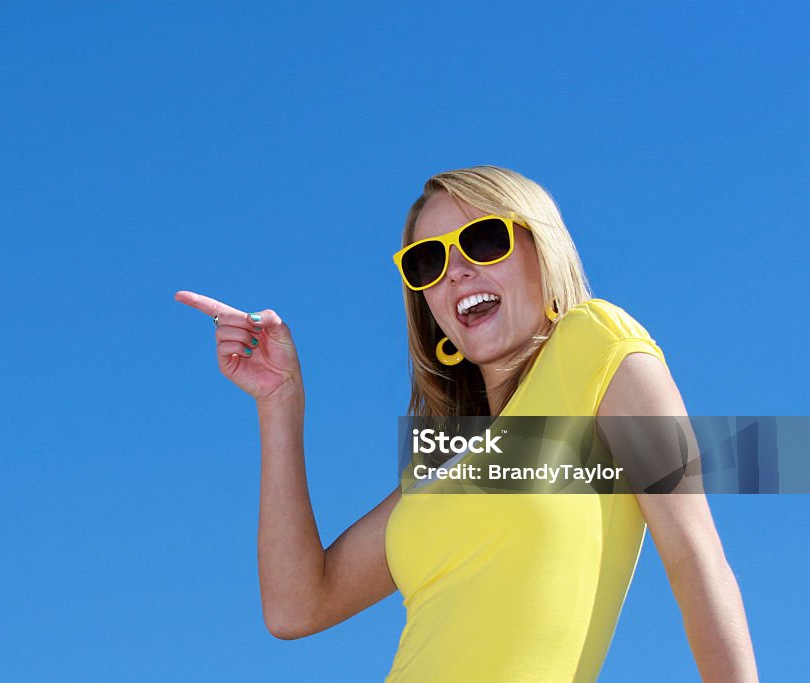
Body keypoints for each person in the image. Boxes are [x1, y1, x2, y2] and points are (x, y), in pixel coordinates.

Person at [175, 166, 758, 681]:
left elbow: (694, 555)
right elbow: (296, 608)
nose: (454, 272)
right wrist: (280, 403)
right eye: (428, 261)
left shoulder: (595, 340)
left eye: (483, 240)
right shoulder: (443, 460)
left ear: (543, 250)